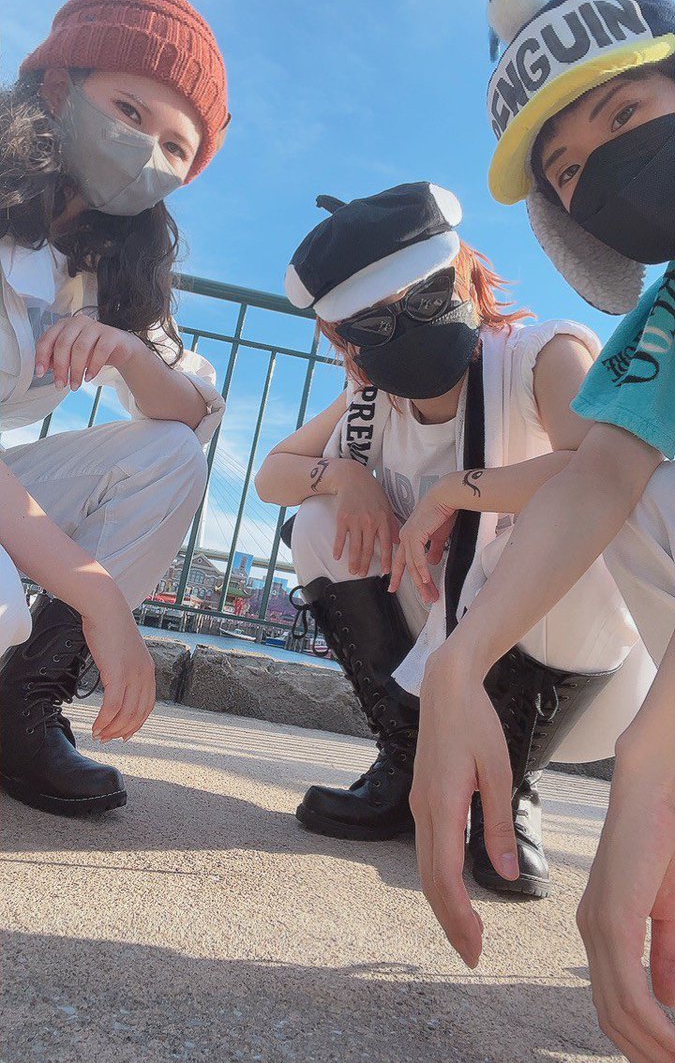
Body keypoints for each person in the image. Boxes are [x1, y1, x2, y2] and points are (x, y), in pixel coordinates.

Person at [397, 0, 675, 1063]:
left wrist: (652, 762)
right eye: (567, 169)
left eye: (626, 112)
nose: (601, 166)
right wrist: (458, 663)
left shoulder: (534, 351)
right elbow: (601, 477)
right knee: (639, 489)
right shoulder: (663, 318)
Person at [255, 181, 653, 902]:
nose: (409, 322)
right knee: (316, 520)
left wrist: (454, 490)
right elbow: (272, 476)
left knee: (590, 542)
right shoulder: (369, 404)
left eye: (428, 294)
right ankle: (406, 759)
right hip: (431, 616)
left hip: (542, 643)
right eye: (374, 321)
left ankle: (507, 787)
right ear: (347, 341)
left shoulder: (539, 354)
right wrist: (344, 475)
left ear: (466, 275)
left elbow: (599, 469)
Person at [0, 0, 229, 817]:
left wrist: (132, 356)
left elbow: (192, 412)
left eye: (176, 147)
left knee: (168, 454)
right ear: (59, 84)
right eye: (130, 112)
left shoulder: (106, 267)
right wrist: (98, 597)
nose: (147, 154)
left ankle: (23, 706)